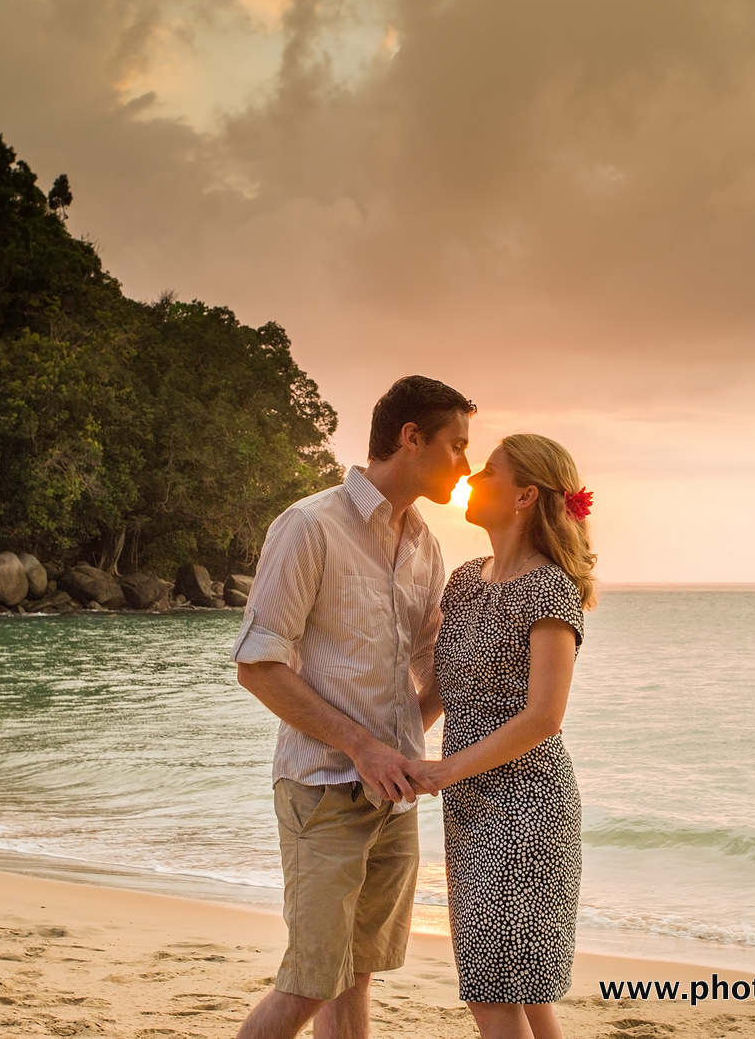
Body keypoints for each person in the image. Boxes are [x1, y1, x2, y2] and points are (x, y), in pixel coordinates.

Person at [231, 375, 475, 1039]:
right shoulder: (310, 526)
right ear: (411, 437)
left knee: (355, 975)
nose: (466, 462)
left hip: (394, 797)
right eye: (456, 445)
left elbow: (430, 670)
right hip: (322, 791)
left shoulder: (424, 544)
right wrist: (363, 747)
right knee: (310, 982)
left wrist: (504, 660)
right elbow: (257, 666)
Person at [417, 433, 596, 1039]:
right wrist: (381, 747)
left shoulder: (549, 589)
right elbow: (442, 689)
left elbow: (544, 717)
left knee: (495, 990)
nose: (472, 478)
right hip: (469, 808)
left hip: (527, 807)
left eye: (488, 471)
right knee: (515, 989)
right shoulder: (466, 580)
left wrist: (442, 771)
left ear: (525, 496)